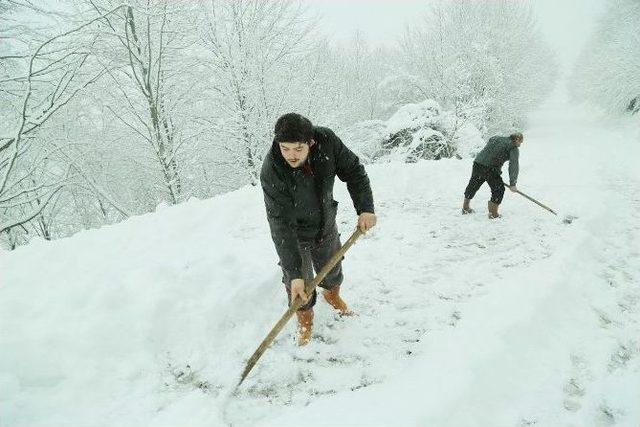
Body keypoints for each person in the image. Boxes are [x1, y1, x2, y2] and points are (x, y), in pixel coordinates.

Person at [260, 113, 377, 346]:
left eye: (298, 149)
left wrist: (365, 208)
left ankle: (333, 296)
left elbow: (354, 171)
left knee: (332, 268)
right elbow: (280, 225)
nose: (291, 156)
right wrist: (293, 273)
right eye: (285, 148)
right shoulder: (272, 171)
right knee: (299, 285)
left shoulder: (327, 141)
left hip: (325, 222)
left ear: (311, 142)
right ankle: (305, 319)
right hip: (295, 234)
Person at [462, 132, 523, 218]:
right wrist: (513, 184)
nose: (520, 145)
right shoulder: (513, 148)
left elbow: (491, 151)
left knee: (474, 184)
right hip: (490, 168)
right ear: (516, 140)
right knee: (499, 189)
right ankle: (493, 213)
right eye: (520, 142)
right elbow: (513, 166)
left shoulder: (496, 138)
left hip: (478, 164)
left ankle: (465, 207)